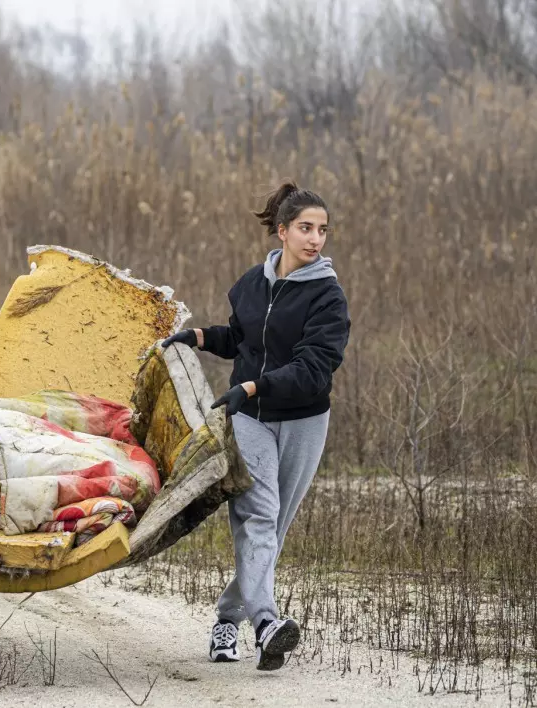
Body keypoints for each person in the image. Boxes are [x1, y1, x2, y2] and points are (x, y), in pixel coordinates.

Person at [161, 182, 350, 671]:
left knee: (273, 528)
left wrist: (251, 387)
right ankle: (266, 623)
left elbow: (314, 368)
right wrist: (200, 337)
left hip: (304, 421)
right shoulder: (250, 284)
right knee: (259, 516)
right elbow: (243, 340)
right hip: (248, 419)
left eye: (323, 231)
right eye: (306, 229)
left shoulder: (328, 298)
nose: (315, 239)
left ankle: (227, 618)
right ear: (282, 231)